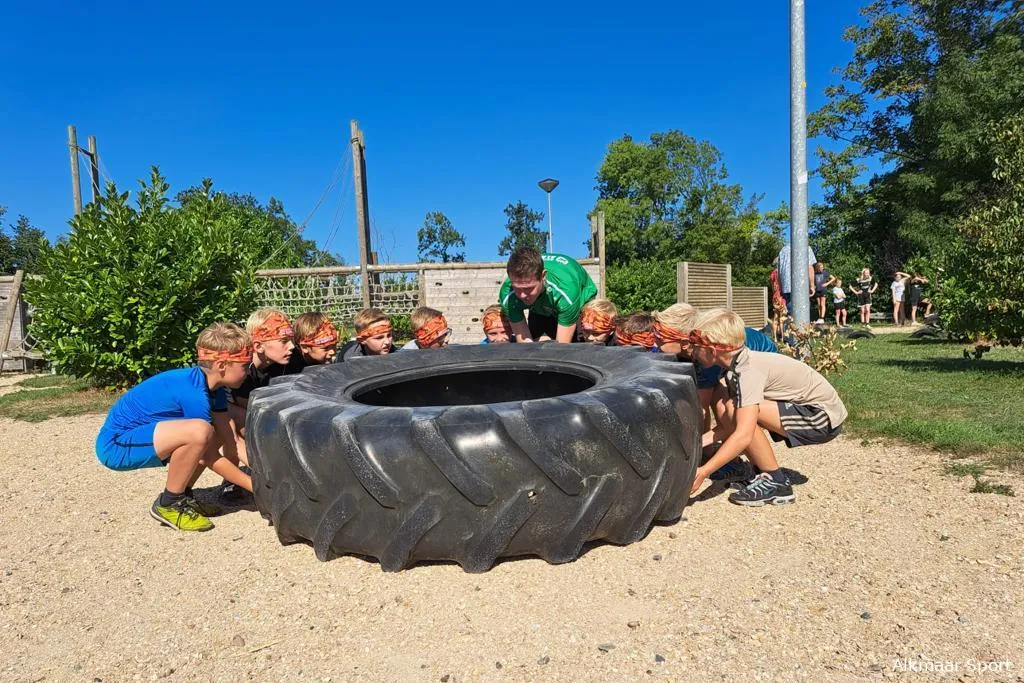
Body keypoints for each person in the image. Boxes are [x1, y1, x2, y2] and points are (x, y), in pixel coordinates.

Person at [95, 322, 254, 531]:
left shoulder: (213, 389)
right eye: (245, 365)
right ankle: (169, 503)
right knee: (201, 433)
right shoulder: (193, 393)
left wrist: (263, 474)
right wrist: (255, 487)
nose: (249, 371)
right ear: (222, 365)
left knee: (212, 434)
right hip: (117, 446)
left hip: (140, 437)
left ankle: (184, 495)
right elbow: (208, 456)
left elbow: (231, 440)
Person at [687, 309, 848, 506]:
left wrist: (704, 471)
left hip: (823, 418)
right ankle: (762, 474)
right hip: (811, 411)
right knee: (734, 410)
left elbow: (743, 434)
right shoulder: (736, 368)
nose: (691, 350)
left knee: (741, 413)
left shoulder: (748, 372)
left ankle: (776, 482)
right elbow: (730, 426)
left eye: (695, 345)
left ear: (713, 350)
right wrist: (695, 444)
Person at [498, 247, 598, 343]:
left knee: (577, 342)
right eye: (517, 288)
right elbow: (525, 343)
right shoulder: (507, 294)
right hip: (541, 301)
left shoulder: (566, 292)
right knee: (534, 342)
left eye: (529, 288)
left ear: (543, 276)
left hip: (577, 295)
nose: (522, 295)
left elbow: (561, 347)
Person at [776, 242, 816, 315]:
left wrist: (780, 288)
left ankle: (791, 325)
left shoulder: (783, 250)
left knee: (790, 315)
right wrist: (812, 285)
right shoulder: (805, 248)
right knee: (802, 315)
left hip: (786, 287)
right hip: (801, 286)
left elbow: (779, 271)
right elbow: (809, 267)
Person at [769, 260, 787, 340]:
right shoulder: (782, 273)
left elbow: (772, 287)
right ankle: (783, 337)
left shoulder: (773, 274)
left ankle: (775, 338)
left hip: (775, 296)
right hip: (781, 296)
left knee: (775, 317)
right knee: (782, 318)